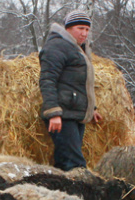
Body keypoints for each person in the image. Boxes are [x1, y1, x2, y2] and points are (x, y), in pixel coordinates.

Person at [39, 9, 102, 171]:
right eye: (80, 28)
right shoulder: (57, 46)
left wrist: (90, 109)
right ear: (68, 28)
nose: (84, 33)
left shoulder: (76, 48)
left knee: (65, 162)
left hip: (73, 113)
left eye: (87, 29)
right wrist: (54, 113)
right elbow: (47, 80)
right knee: (75, 165)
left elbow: (78, 84)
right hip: (63, 115)